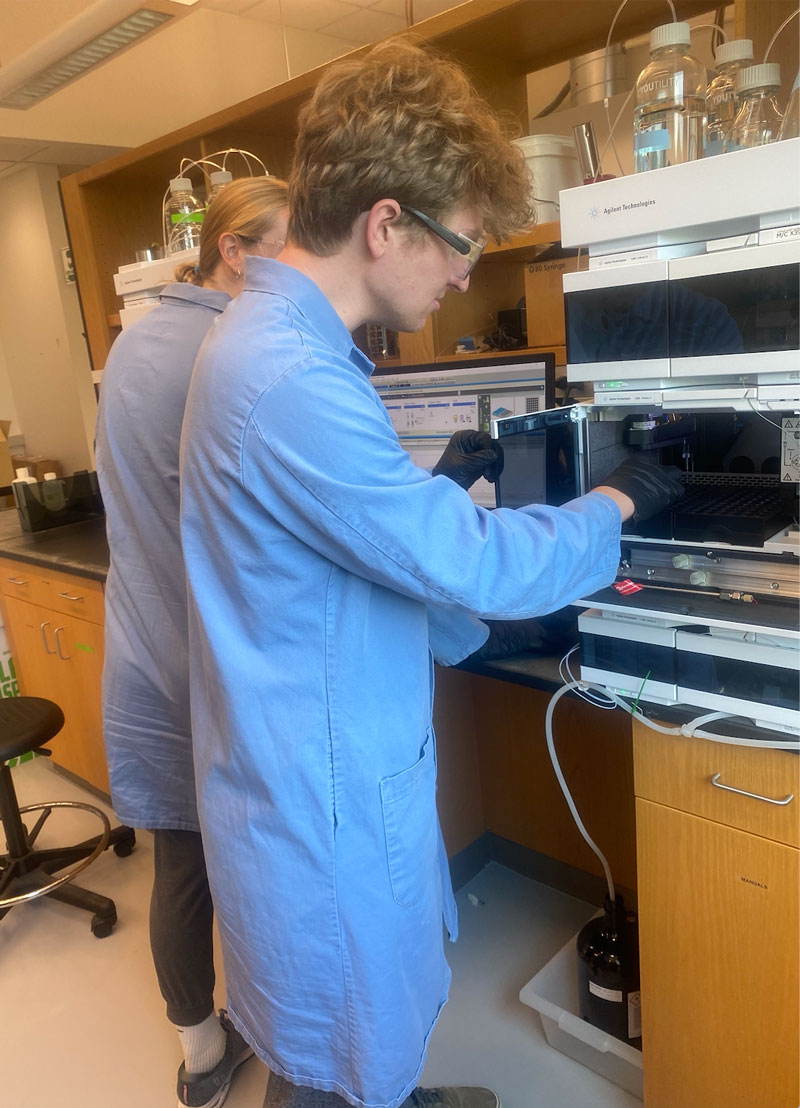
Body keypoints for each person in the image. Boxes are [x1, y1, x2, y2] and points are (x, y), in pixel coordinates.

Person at [178, 40, 684, 1108]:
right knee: (327, 1064)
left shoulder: (283, 347)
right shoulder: (288, 375)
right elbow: (468, 562)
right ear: (384, 224)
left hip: (315, 766)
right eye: (458, 245)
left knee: (358, 1040)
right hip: (316, 811)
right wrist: (619, 501)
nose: (464, 274)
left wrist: (442, 529)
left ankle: (394, 1094)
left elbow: (346, 555)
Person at [95, 174, 290, 1108]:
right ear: (234, 250)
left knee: (180, 864)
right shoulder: (218, 349)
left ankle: (202, 1055)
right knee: (240, 863)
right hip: (200, 655)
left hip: (141, 638)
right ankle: (275, 1052)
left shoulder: (136, 341)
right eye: (287, 253)